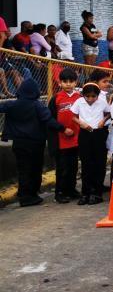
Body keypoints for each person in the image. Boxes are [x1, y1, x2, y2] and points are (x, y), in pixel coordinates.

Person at [0, 78, 66, 206]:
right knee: (35, 169)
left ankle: (24, 195)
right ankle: (31, 195)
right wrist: (63, 128)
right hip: (35, 143)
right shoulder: (37, 105)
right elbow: (48, 120)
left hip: (19, 143)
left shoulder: (12, 104)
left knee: (23, 169)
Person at [70, 83, 109, 204]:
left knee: (99, 163)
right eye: (88, 96)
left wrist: (103, 120)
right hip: (85, 133)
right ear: (83, 95)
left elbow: (109, 113)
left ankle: (97, 193)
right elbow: (73, 117)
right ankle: (85, 193)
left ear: (97, 95)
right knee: (86, 163)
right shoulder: (79, 102)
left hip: (99, 133)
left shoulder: (102, 102)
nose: (91, 99)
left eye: (93, 96)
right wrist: (81, 123)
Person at [46, 68, 81, 203]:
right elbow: (50, 119)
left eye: (71, 81)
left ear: (75, 82)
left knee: (73, 166)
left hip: (76, 138)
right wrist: (63, 129)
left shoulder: (80, 97)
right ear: (60, 83)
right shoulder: (56, 98)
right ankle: (59, 193)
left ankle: (71, 190)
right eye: (65, 81)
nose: (68, 84)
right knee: (62, 168)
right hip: (61, 140)